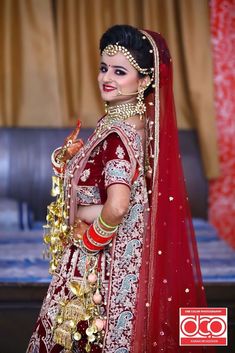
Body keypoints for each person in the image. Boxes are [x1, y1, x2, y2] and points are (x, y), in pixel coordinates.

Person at [27, 25, 215, 353]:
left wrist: (88, 238)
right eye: (103, 68)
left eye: (119, 71)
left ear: (144, 81)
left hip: (100, 264)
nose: (106, 78)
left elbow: (118, 206)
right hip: (136, 258)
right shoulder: (140, 128)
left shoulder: (117, 135)